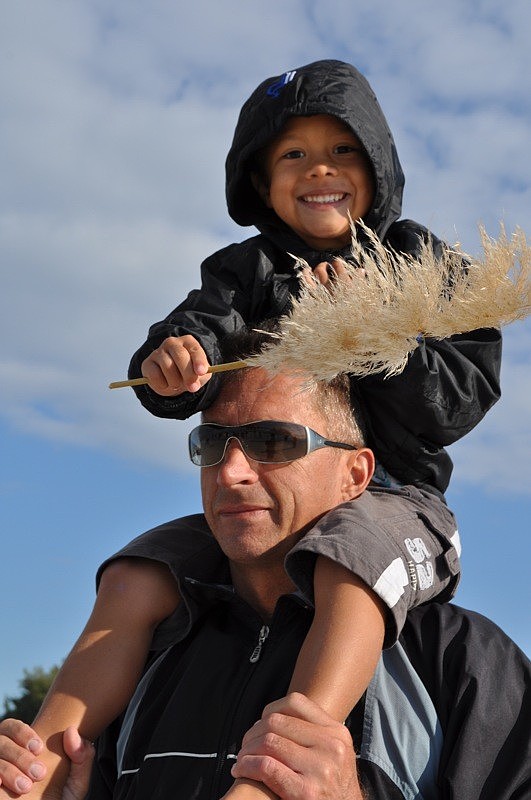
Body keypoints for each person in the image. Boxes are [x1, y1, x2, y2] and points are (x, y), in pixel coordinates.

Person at [0, 59, 503, 796]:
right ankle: (40, 761)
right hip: (264, 504)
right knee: (137, 573)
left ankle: (280, 768)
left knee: (346, 560)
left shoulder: (423, 264)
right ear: (259, 182)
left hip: (394, 501)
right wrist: (178, 361)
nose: (317, 170)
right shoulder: (247, 270)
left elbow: (461, 398)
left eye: (341, 151)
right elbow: (193, 336)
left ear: (377, 166)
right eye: (291, 155)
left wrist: (378, 337)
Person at [0, 334, 528, 799]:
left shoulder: (461, 663)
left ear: (356, 473)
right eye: (210, 443)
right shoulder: (142, 660)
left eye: (273, 441)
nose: (230, 472)